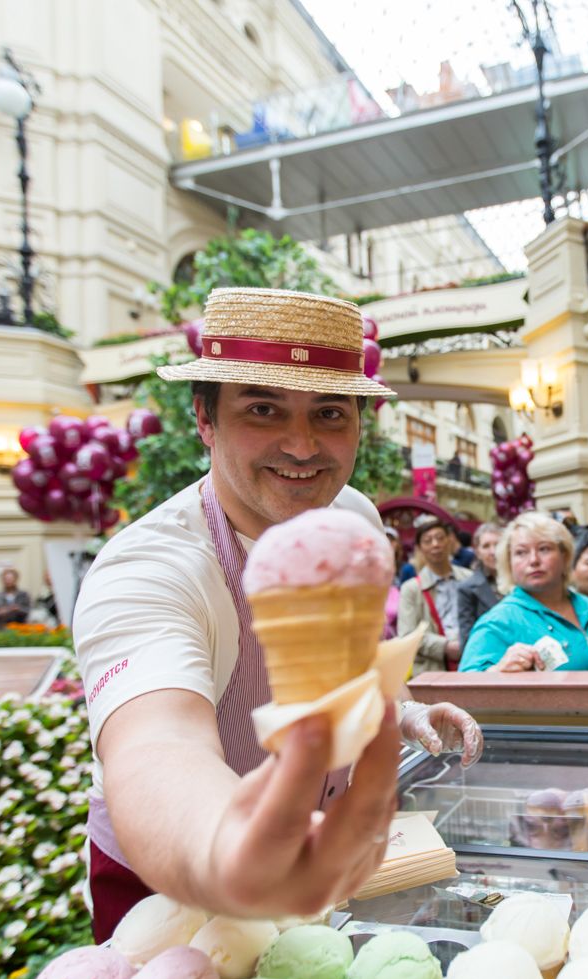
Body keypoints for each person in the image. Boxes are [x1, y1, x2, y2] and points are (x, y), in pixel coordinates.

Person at [73, 288, 483, 941]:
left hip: (321, 861)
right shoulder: (149, 568)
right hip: (173, 894)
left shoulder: (354, 519)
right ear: (204, 419)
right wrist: (228, 849)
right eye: (263, 409)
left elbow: (350, 659)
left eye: (328, 413)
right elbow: (158, 744)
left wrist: (401, 709)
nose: (301, 445)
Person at [460, 512, 588, 672]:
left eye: (544, 549)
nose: (534, 560)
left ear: (565, 556)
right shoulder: (499, 621)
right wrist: (497, 672)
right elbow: (464, 688)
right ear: (509, 563)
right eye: (521, 552)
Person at [397, 515, 473, 674]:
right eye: (428, 540)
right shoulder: (411, 589)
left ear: (450, 540)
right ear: (419, 548)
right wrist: (445, 647)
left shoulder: (469, 578)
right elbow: (407, 635)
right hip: (433, 671)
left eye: (440, 538)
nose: (435, 544)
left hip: (472, 663)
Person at [457, 522, 504, 640]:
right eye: (486, 546)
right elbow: (467, 638)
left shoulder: (519, 580)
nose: (493, 552)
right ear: (478, 552)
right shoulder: (467, 589)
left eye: (497, 544)